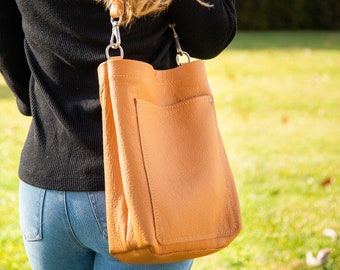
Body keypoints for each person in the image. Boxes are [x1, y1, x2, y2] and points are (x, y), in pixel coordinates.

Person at [0, 0, 237, 269]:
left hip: (47, 187)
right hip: (148, 190)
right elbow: (210, 36)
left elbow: (6, 43)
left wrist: (39, 105)